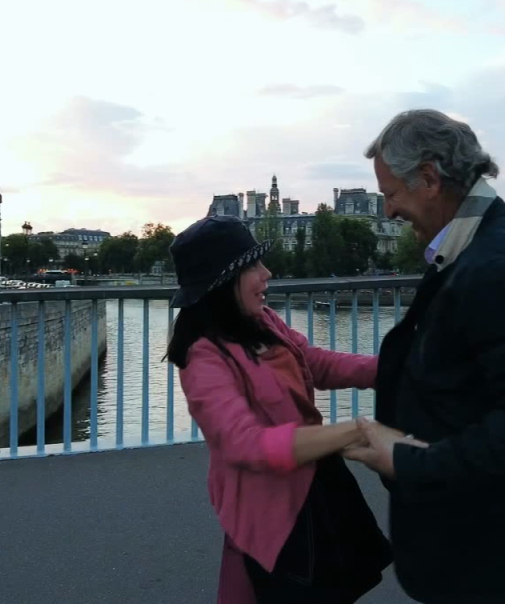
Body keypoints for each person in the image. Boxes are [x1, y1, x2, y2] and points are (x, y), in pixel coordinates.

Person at [344, 109, 505, 604]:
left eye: (391, 194)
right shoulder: (484, 239)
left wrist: (408, 461)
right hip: (489, 545)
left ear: (430, 177)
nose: (388, 211)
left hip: (493, 560)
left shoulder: (499, 263)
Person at [166, 215, 392, 604]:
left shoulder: (261, 320)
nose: (267, 273)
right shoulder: (204, 356)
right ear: (225, 280)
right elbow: (245, 445)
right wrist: (356, 431)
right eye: (253, 265)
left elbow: (314, 362)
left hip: (315, 480)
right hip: (272, 509)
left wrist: (393, 368)